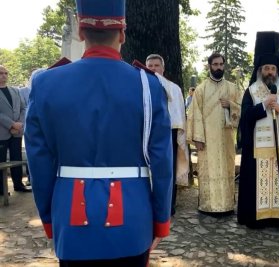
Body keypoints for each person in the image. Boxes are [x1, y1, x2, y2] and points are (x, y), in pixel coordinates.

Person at [24, 0, 173, 265]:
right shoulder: (147, 85)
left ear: (81, 32)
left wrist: (48, 218)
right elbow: (161, 162)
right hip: (132, 219)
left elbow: (39, 161)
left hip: (71, 219)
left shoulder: (46, 83)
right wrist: (161, 219)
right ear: (123, 34)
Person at [237, 32, 279, 229]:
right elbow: (245, 117)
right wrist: (263, 105)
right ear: (260, 70)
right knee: (256, 185)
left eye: (273, 68)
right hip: (257, 149)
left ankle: (277, 216)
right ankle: (257, 218)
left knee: (278, 182)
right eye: (267, 68)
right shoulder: (252, 91)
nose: (270, 72)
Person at [186, 53, 241, 215]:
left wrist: (230, 105)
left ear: (224, 66)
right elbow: (194, 115)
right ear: (209, 66)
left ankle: (227, 205)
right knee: (208, 171)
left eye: (221, 64)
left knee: (226, 169)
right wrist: (198, 139)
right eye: (215, 64)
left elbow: (241, 111)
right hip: (207, 140)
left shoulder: (232, 88)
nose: (218, 67)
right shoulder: (201, 89)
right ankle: (208, 205)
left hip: (226, 139)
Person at [146, 53, 189, 216]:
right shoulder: (138, 85)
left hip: (167, 134)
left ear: (163, 68)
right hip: (145, 134)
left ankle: (167, 206)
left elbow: (178, 116)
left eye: (156, 65)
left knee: (167, 170)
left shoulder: (174, 88)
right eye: (150, 65)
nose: (153, 69)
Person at [0, 65, 30, 194]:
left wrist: (20, 124)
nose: (4, 75)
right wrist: (11, 124)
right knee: (1, 161)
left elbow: (23, 108)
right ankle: (1, 189)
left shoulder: (15, 90)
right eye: (1, 73)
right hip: (2, 132)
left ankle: (18, 185)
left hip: (17, 133)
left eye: (6, 73)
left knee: (16, 159)